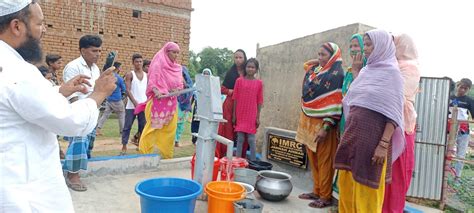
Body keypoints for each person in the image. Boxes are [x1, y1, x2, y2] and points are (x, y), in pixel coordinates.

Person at [0, 1, 116, 211]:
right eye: (40, 24)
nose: (43, 31)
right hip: (23, 189)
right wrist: (99, 93)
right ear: (17, 26)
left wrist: (60, 91)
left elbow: (21, 104)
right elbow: (70, 121)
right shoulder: (18, 72)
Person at [334, 29, 405, 213]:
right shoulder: (366, 71)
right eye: (364, 44)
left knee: (367, 194)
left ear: (381, 46)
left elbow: (394, 113)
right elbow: (355, 100)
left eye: (368, 44)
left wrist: (383, 144)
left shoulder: (393, 75)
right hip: (353, 138)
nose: (364, 49)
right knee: (347, 188)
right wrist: (357, 71)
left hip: (374, 144)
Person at [296, 42, 345, 208]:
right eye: (318, 54)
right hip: (309, 124)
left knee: (325, 161)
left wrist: (326, 127)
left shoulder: (336, 75)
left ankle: (325, 196)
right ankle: (316, 190)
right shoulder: (317, 71)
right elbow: (306, 65)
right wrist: (318, 62)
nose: (319, 58)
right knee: (313, 159)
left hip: (324, 125)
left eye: (323, 55)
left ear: (333, 56)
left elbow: (336, 103)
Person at [382, 33, 421, 213]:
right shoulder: (393, 66)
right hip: (390, 123)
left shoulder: (410, 68)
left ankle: (392, 209)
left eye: (394, 44)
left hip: (401, 126)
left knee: (397, 174)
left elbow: (399, 99)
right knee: (386, 174)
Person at [62, 34, 103, 191]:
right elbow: (72, 95)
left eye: (99, 51)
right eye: (94, 51)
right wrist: (80, 116)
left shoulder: (95, 69)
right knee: (78, 143)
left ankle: (75, 170)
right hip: (79, 112)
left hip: (92, 111)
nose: (98, 54)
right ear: (83, 50)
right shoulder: (73, 67)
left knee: (87, 146)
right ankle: (73, 176)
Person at [138, 42, 183, 159]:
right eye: (174, 52)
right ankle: (145, 154)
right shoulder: (158, 64)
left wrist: (177, 90)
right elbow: (153, 80)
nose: (176, 55)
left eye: (178, 53)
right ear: (167, 52)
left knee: (170, 130)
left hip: (171, 104)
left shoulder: (177, 68)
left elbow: (179, 84)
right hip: (158, 104)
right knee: (152, 129)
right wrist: (156, 90)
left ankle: (166, 154)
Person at [217, 49, 247, 158]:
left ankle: (240, 156)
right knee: (227, 129)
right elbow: (222, 89)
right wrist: (232, 92)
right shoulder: (231, 72)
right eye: (236, 57)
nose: (238, 60)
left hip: (243, 105)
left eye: (241, 57)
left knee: (242, 130)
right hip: (230, 104)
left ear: (245, 59)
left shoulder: (248, 71)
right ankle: (225, 155)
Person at [232, 58, 263, 161]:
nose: (250, 69)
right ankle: (237, 162)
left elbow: (259, 101)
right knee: (240, 139)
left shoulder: (259, 83)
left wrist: (258, 117)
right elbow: (235, 98)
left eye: (252, 67)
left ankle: (253, 163)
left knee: (251, 139)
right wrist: (234, 115)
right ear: (245, 68)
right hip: (240, 113)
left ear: (256, 69)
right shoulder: (239, 81)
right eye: (248, 67)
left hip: (251, 114)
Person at [449, 78, 473, 180]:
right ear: (457, 85)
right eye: (461, 87)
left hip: (463, 131)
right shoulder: (448, 98)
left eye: (465, 88)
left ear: (468, 89)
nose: (462, 90)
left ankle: (457, 178)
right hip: (448, 130)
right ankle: (444, 175)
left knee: (461, 154)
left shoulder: (469, 101)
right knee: (446, 152)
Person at [95, 62, 127, 140]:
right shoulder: (118, 78)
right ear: (117, 68)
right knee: (121, 115)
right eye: (120, 67)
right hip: (117, 99)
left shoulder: (108, 76)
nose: (120, 69)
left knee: (105, 114)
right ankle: (122, 131)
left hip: (109, 99)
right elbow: (124, 89)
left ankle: (98, 129)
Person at [122, 54, 147, 151]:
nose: (139, 63)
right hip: (131, 106)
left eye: (140, 61)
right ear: (133, 63)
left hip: (143, 105)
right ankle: (124, 146)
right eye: (137, 61)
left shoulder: (146, 75)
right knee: (127, 126)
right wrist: (134, 102)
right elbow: (127, 90)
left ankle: (140, 144)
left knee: (143, 126)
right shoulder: (130, 74)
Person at [190, 68, 213, 145]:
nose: (206, 75)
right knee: (195, 122)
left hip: (207, 106)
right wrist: (190, 105)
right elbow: (194, 95)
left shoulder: (212, 84)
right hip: (198, 105)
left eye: (207, 74)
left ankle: (202, 139)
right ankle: (194, 138)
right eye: (204, 73)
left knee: (204, 122)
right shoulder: (198, 84)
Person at [175, 65, 194, 147]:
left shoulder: (189, 82)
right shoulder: (174, 79)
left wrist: (183, 81)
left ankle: (177, 140)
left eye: (183, 73)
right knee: (173, 124)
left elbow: (189, 90)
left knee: (180, 124)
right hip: (175, 104)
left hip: (184, 106)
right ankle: (171, 140)